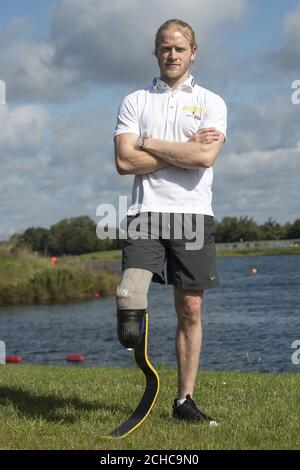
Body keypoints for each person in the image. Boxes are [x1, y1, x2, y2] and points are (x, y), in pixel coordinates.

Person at [114, 19, 227, 424]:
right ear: (156, 51)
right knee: (129, 296)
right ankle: (148, 374)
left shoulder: (213, 103)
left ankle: (183, 401)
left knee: (191, 310)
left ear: (193, 52)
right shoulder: (134, 101)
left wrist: (146, 142)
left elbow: (204, 158)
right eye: (165, 48)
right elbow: (125, 162)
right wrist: (182, 149)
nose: (172, 55)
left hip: (194, 215)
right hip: (144, 214)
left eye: (180, 48)